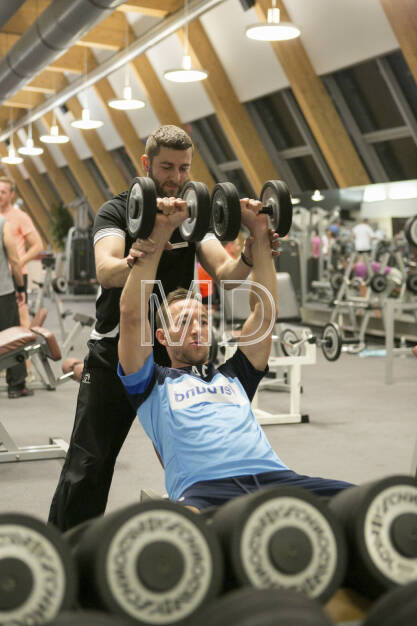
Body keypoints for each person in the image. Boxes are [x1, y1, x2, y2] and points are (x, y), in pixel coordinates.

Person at [48, 124, 279, 530]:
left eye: (184, 167)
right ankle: (64, 550)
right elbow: (106, 270)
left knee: (194, 448)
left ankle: (208, 533)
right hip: (118, 348)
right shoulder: (118, 211)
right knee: (90, 461)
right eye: (167, 167)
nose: (176, 177)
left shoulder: (194, 214)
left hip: (173, 348)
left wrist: (251, 250)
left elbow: (226, 274)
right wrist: (144, 254)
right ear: (146, 164)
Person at [117, 193, 353, 512]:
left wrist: (259, 232)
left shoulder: (233, 376)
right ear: (162, 336)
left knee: (371, 503)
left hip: (273, 480)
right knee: (183, 531)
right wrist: (159, 233)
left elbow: (265, 314)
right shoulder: (149, 384)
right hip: (203, 489)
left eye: (202, 319)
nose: (197, 328)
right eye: (184, 321)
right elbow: (131, 315)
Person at [0, 177, 43, 328]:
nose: (0, 195)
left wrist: (19, 262)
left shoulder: (20, 217)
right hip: (1, 274)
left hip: (16, 273)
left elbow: (38, 245)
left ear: (12, 194)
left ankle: (25, 348)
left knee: (22, 316)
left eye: (3, 192)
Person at [0, 215, 33, 398]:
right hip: (3, 292)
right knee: (11, 339)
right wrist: (21, 287)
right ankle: (16, 385)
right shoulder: (2, 223)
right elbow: (14, 260)